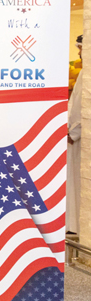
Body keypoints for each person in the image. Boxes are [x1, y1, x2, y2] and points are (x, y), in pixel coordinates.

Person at [67, 35, 82, 234]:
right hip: (72, 133)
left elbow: (82, 108)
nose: (78, 53)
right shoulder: (83, 74)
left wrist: (74, 131)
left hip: (78, 137)